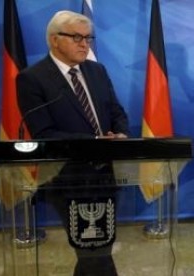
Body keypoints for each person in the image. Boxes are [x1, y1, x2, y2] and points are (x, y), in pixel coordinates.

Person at [17, 10, 130, 276]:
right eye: (77, 37)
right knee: (92, 250)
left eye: (88, 38)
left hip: (105, 175)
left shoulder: (97, 70)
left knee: (98, 248)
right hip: (68, 177)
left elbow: (116, 112)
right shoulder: (32, 78)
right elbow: (43, 133)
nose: (85, 44)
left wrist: (121, 134)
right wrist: (94, 141)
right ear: (54, 40)